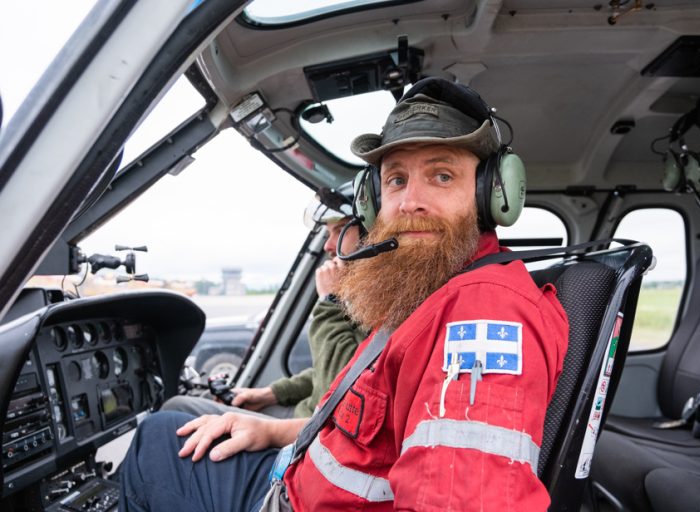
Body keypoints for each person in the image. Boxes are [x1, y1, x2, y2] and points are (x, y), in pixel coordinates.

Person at [119, 77, 569, 512]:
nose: (410, 201)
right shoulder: (425, 290)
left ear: (494, 192)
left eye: (442, 175)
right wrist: (274, 433)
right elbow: (361, 433)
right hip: (297, 478)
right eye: (395, 180)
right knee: (169, 428)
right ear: (373, 198)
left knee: (155, 443)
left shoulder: (482, 316)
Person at [162, 186, 367, 419]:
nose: (327, 246)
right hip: (307, 416)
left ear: (370, 233)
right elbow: (330, 370)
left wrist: (329, 301)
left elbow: (343, 382)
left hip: (311, 431)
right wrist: (269, 394)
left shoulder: (380, 307)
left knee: (176, 409)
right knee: (190, 407)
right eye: (328, 233)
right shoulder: (363, 298)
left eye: (339, 230)